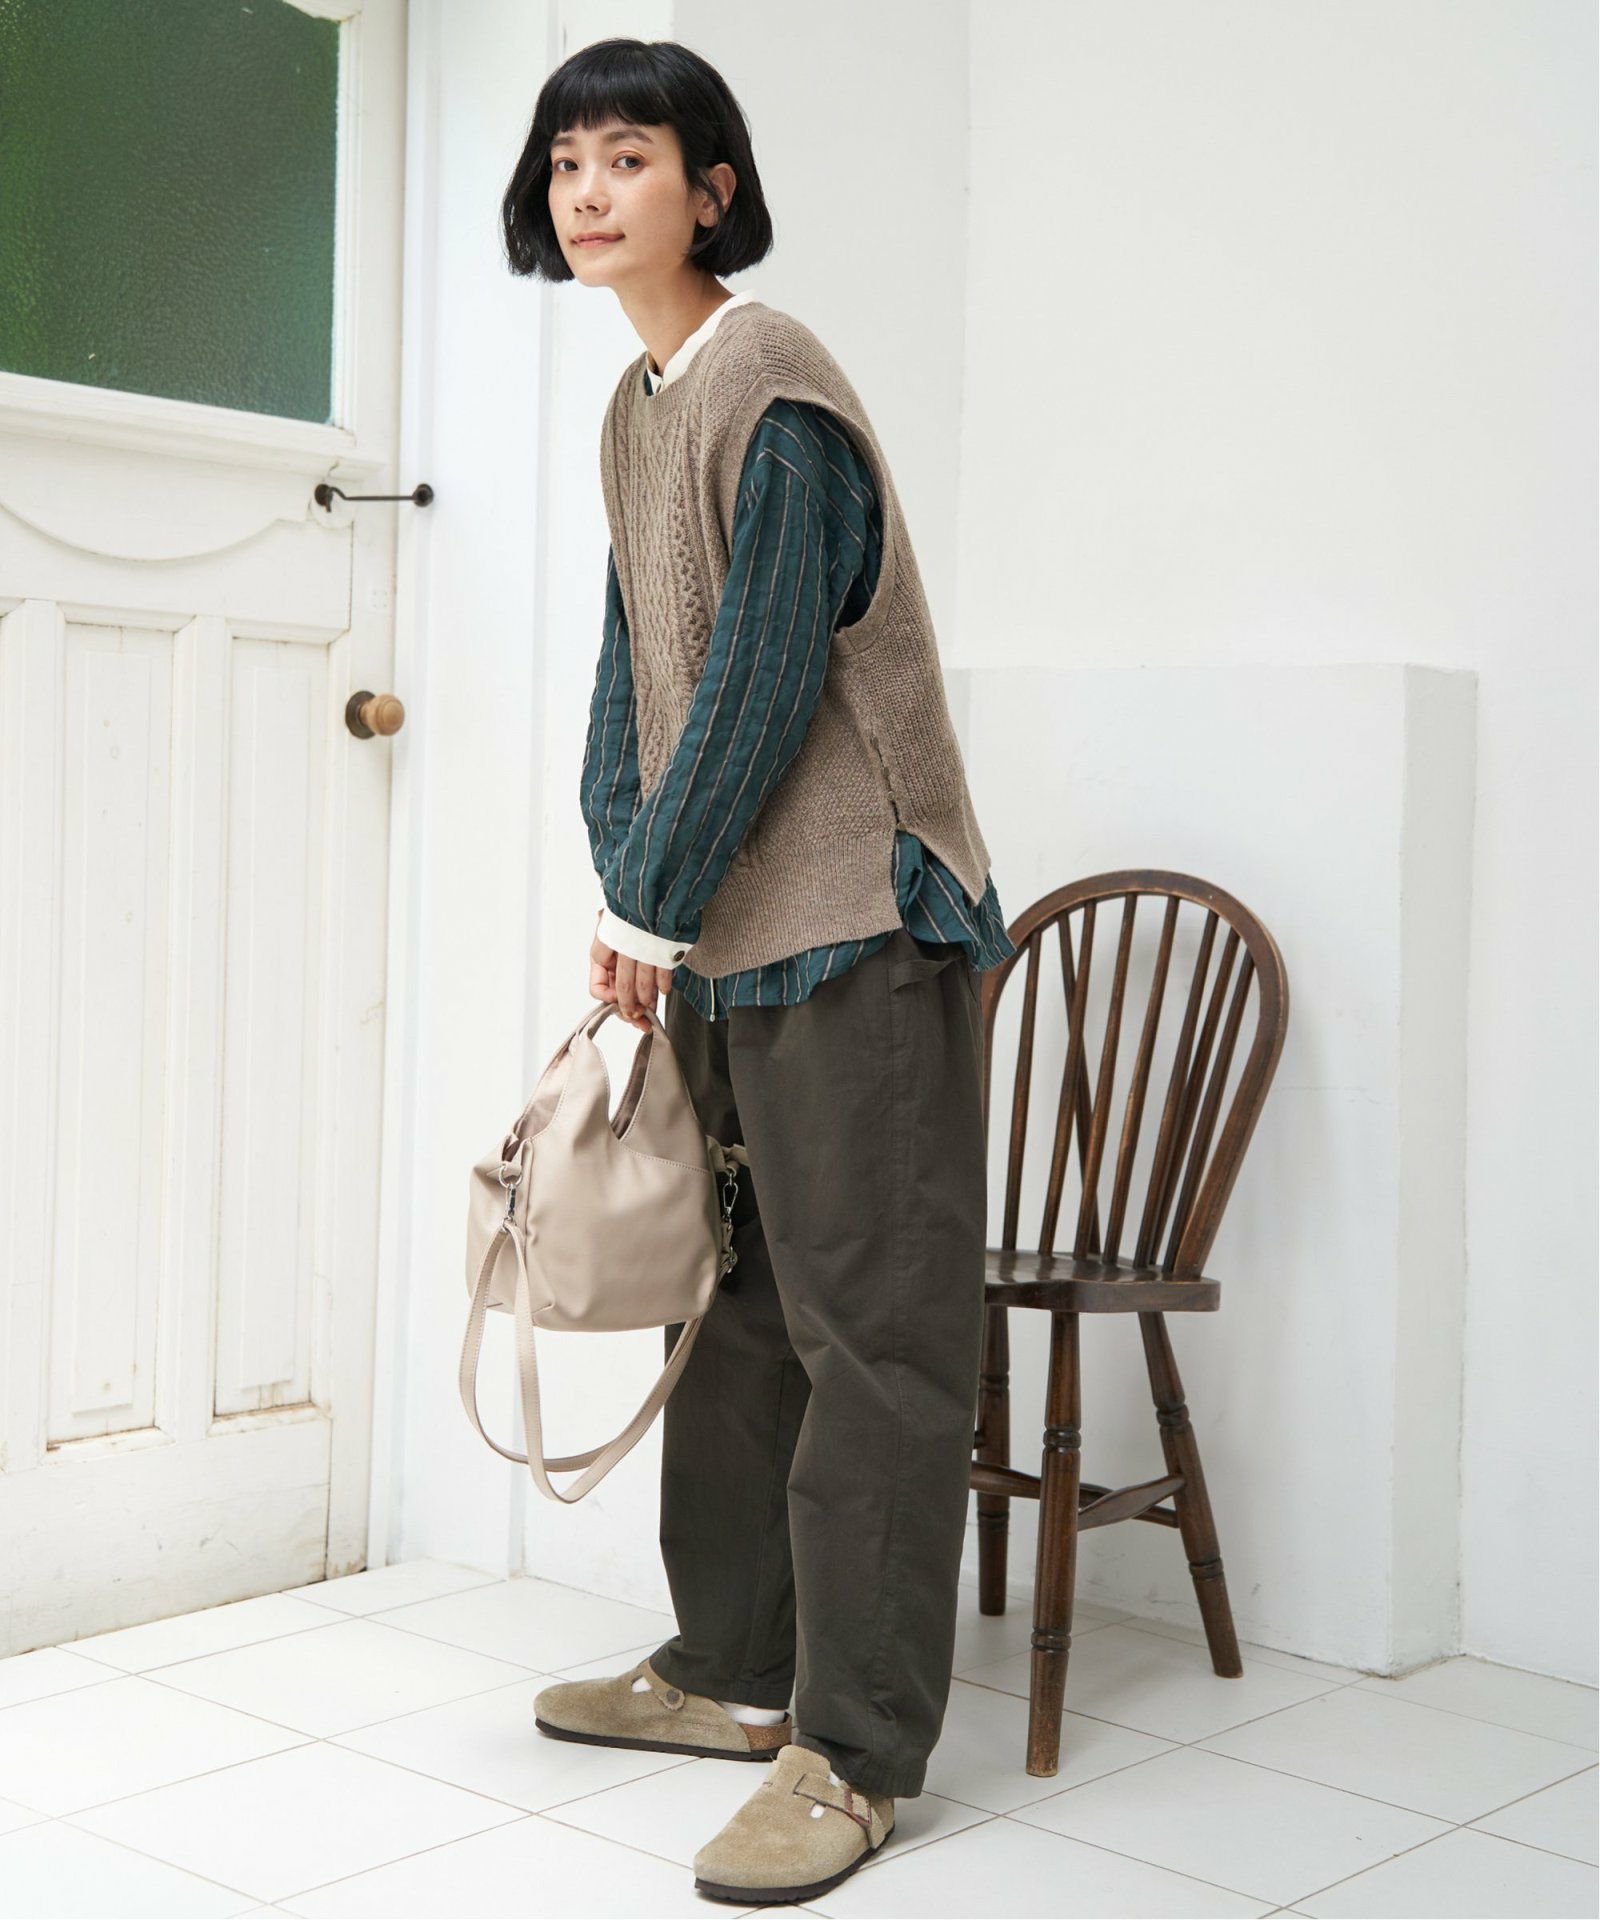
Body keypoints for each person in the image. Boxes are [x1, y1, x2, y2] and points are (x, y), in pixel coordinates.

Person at [500, 36, 1016, 1906]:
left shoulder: (774, 387)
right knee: (729, 1316)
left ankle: (854, 1754)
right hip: (737, 931)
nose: (590, 190)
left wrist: (654, 904)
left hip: (866, 922)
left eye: (629, 156)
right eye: (567, 159)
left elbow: (765, 675)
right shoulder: (639, 408)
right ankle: (731, 1673)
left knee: (873, 1341)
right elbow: (633, 671)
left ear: (710, 189)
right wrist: (631, 883)